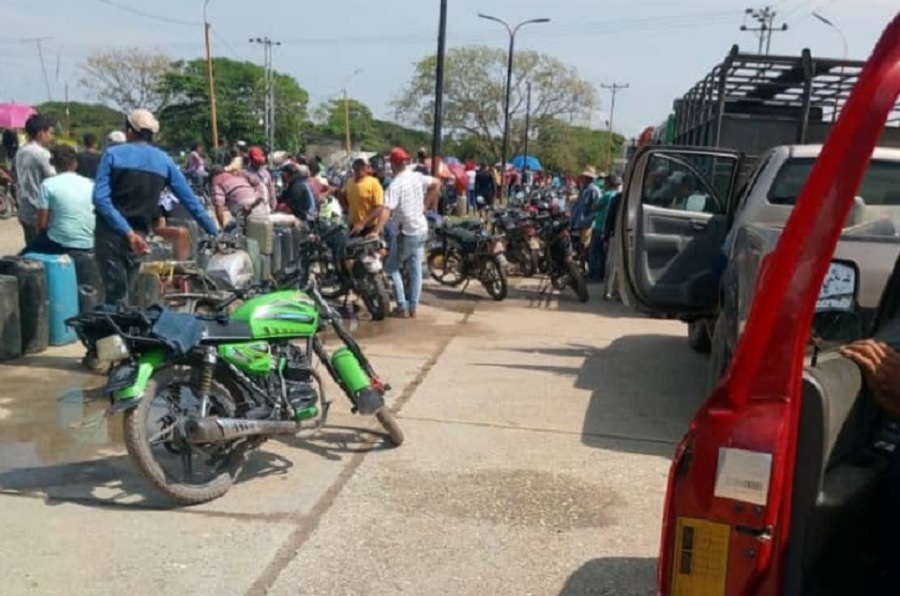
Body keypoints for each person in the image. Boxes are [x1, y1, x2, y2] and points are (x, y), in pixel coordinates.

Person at [92, 108, 218, 305]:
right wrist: (213, 230)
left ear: (130, 130)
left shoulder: (112, 155)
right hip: (140, 235)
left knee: (115, 295)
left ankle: (115, 334)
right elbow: (191, 201)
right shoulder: (164, 161)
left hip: (110, 233)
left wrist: (125, 231)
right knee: (134, 294)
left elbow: (100, 199)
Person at [383, 147, 440, 319]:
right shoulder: (416, 177)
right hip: (421, 229)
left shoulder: (396, 184)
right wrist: (425, 204)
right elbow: (437, 183)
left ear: (393, 164)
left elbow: (386, 210)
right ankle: (413, 307)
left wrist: (377, 230)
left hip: (406, 232)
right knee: (415, 269)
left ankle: (402, 306)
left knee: (392, 268)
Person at [23, 145, 94, 255]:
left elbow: (41, 224)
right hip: (91, 242)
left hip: (59, 243)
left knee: (24, 255)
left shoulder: (47, 185)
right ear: (75, 164)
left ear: (53, 164)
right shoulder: (91, 184)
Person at [15, 114, 56, 245]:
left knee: (31, 249)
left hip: (24, 208)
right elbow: (53, 178)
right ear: (40, 133)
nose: (51, 136)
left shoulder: (20, 152)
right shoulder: (42, 153)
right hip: (40, 210)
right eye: (49, 132)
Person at [342, 157, 385, 238]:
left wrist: (362, 223)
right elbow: (345, 200)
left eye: (361, 166)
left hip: (370, 227)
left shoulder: (373, 183)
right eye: (356, 165)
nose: (358, 168)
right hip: (354, 227)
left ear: (366, 168)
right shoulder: (349, 182)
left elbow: (379, 208)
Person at [570, 167, 601, 262]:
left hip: (587, 223)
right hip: (579, 221)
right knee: (578, 245)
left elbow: (597, 207)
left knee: (585, 246)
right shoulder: (584, 189)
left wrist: (589, 219)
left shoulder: (594, 190)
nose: (584, 179)